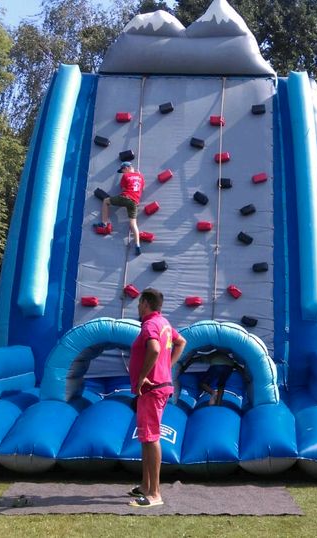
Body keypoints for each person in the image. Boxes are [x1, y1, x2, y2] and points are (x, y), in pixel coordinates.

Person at [127, 288, 186, 508]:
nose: (137, 307)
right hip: (158, 387)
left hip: (152, 390)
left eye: (139, 303)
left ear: (144, 303)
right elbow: (182, 343)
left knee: (151, 438)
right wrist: (166, 366)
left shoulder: (150, 325)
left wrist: (143, 377)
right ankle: (145, 484)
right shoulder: (164, 323)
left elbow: (153, 348)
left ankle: (155, 494)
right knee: (146, 437)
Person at [99, 161, 145, 255]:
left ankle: (104, 223)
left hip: (126, 198)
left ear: (126, 168)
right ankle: (137, 245)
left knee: (106, 201)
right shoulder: (141, 177)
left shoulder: (126, 176)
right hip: (134, 202)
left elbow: (123, 189)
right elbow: (141, 188)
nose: (123, 172)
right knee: (133, 223)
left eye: (123, 170)